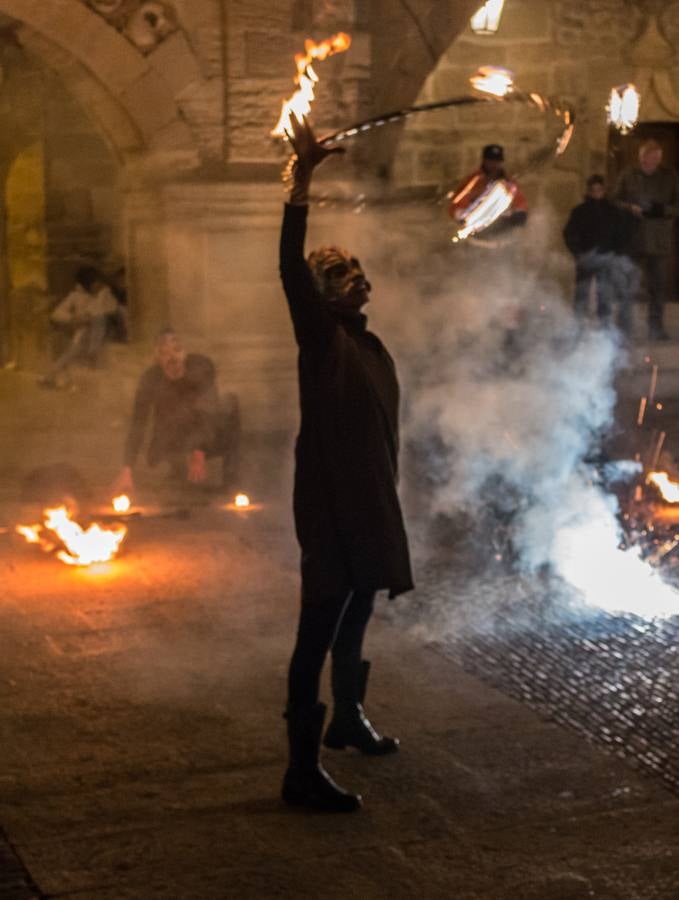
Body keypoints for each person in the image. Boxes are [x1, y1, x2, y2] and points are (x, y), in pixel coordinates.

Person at [279, 116, 413, 814]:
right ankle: (299, 769)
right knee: (320, 621)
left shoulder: (365, 342)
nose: (355, 278)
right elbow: (287, 269)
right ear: (318, 293)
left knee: (361, 602)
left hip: (368, 497)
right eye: (337, 274)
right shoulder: (321, 339)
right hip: (332, 504)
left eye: (356, 268)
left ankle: (347, 718)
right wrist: (299, 183)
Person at [114, 330, 240, 493]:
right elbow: (138, 423)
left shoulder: (200, 369)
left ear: (184, 353)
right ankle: (178, 469)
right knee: (170, 426)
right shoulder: (151, 379)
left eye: (177, 349)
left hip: (205, 431)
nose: (172, 357)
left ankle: (231, 480)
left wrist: (199, 451)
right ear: (157, 359)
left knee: (230, 403)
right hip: (172, 436)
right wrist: (127, 468)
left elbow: (209, 412)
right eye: (165, 353)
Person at [614, 139, 679, 341]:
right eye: (647, 160)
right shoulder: (628, 174)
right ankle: (624, 329)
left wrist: (662, 210)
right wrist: (630, 208)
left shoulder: (669, 177)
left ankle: (656, 328)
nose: (650, 163)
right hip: (633, 238)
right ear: (641, 158)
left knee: (657, 287)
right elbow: (614, 200)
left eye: (654, 160)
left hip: (658, 240)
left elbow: (677, 206)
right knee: (628, 285)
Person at [563, 174, 635, 332]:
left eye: (599, 189)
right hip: (585, 259)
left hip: (607, 258)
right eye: (593, 190)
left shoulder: (613, 212)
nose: (596, 193)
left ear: (603, 190)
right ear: (588, 191)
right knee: (581, 295)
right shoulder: (579, 211)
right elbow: (569, 233)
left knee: (605, 295)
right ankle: (578, 328)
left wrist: (616, 253)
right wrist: (577, 253)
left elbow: (621, 234)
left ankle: (605, 328)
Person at [39, 266, 118, 387]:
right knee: (70, 354)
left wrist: (103, 302)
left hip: (101, 333)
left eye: (99, 283)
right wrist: (74, 319)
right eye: (95, 283)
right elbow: (57, 314)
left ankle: (55, 376)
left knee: (91, 352)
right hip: (83, 333)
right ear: (87, 283)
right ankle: (50, 376)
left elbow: (112, 308)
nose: (97, 286)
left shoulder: (103, 294)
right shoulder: (75, 296)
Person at [448, 143, 528, 231]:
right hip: (478, 237)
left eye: (497, 161)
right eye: (490, 161)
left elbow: (520, 203)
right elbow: (457, 206)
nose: (494, 165)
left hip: (503, 237)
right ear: (484, 161)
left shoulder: (509, 183)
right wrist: (464, 216)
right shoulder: (473, 182)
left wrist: (518, 214)